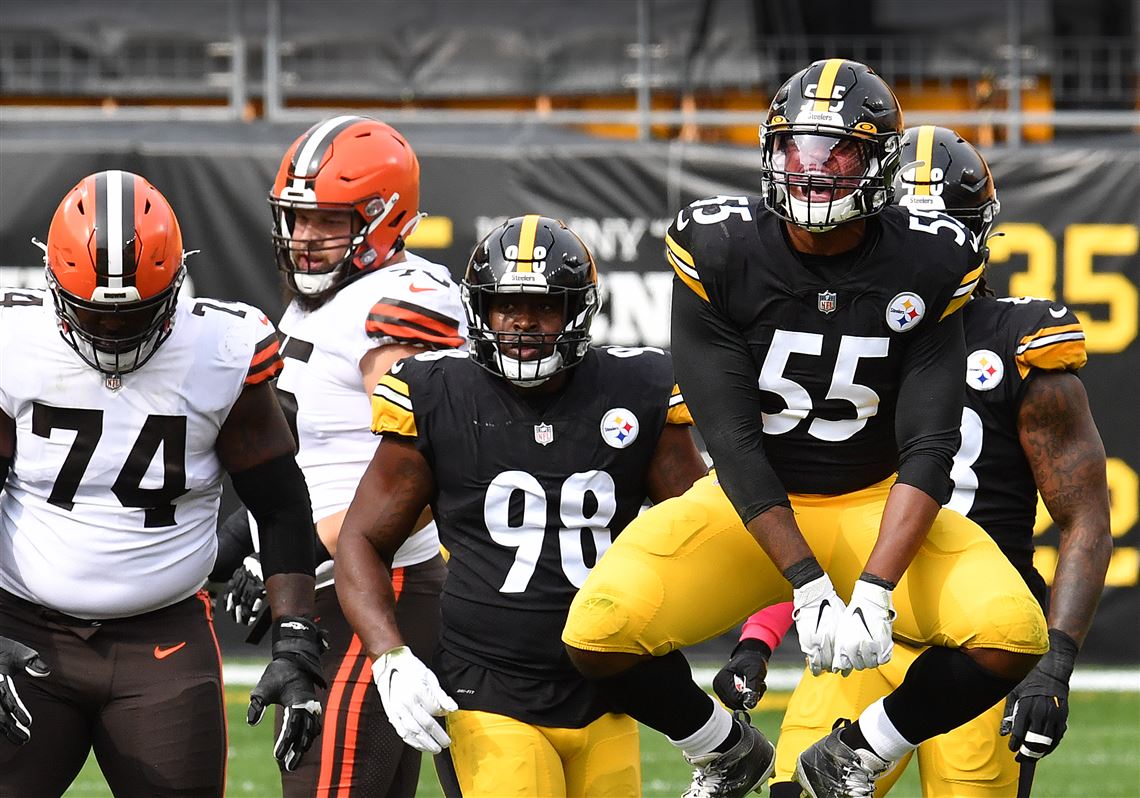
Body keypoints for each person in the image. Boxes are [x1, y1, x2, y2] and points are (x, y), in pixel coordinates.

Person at [560, 58, 1049, 798]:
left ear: (879, 162)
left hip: (874, 502)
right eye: (797, 149)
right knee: (596, 633)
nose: (813, 170)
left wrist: (877, 586)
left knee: (1014, 633)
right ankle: (722, 748)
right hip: (750, 505)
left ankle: (863, 749)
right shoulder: (718, 246)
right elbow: (733, 440)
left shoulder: (931, 256)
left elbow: (928, 443)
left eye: (838, 152)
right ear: (770, 152)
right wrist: (808, 584)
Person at [714, 126, 1112, 797]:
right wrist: (759, 633)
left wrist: (1054, 660)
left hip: (977, 647)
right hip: (867, 631)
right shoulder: (829, 323)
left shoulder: (1021, 341)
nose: (928, 245)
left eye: (944, 228)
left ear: (977, 236)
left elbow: (1084, 517)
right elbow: (801, 501)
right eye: (910, 225)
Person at [334, 215, 711, 797]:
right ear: (478, 311)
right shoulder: (436, 393)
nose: (523, 323)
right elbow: (361, 539)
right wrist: (389, 655)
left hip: (607, 686)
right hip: (489, 688)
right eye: (504, 305)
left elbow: (705, 528)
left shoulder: (637, 387)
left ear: (578, 311)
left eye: (545, 306)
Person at [0, 170, 323, 797]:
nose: (114, 335)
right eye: (95, 316)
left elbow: (280, 503)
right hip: (24, 631)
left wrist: (295, 637)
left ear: (176, 286)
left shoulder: (221, 348)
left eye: (135, 315)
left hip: (163, 641)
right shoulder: (16, 343)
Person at [213, 114, 466, 797]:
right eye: (295, 219)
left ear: (384, 217)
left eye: (326, 221)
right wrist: (250, 537)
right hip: (332, 588)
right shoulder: (321, 303)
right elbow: (309, 454)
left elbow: (421, 481)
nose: (303, 238)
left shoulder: (399, 306)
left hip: (379, 588)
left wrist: (294, 553)